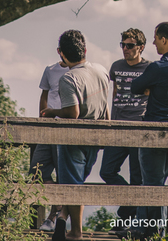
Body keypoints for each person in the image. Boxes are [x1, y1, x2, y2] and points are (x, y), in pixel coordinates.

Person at [40, 29, 111, 241]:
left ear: (61, 53)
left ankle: (76, 232)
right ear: (85, 50)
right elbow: (106, 106)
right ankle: (63, 217)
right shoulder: (101, 71)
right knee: (78, 181)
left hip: (74, 140)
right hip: (97, 136)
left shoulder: (69, 79)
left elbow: (72, 113)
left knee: (73, 186)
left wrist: (52, 112)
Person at [129, 21, 168, 239]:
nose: (154, 43)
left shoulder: (159, 66)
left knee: (153, 184)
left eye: (156, 38)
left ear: (164, 40)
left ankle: (153, 233)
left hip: (155, 131)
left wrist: (153, 88)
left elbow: (135, 88)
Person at [99, 28, 150, 234]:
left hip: (139, 127)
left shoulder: (150, 68)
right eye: (123, 45)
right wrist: (109, 120)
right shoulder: (116, 67)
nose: (125, 49)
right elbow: (115, 93)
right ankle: (129, 207)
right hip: (118, 126)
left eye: (130, 45)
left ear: (141, 47)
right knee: (107, 171)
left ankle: (127, 218)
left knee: (138, 178)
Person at [31, 53, 70, 232]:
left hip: (67, 130)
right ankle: (60, 207)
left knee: (64, 177)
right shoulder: (51, 70)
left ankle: (52, 218)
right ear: (59, 50)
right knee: (36, 170)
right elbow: (44, 95)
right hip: (48, 128)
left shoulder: (78, 71)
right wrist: (42, 118)